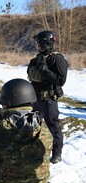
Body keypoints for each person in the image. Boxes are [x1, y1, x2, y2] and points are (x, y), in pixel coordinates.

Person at [27, 30, 68, 164]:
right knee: (32, 125)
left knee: (54, 127)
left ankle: (57, 154)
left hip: (48, 100)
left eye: (39, 43)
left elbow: (61, 80)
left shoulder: (57, 58)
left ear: (47, 43)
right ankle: (31, 150)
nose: (37, 46)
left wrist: (44, 71)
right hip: (35, 99)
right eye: (37, 43)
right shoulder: (39, 58)